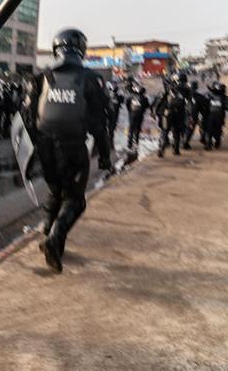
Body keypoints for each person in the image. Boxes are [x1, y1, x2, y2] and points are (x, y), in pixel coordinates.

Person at [23, 28, 112, 273]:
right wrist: (105, 155)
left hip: (45, 148)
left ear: (55, 48)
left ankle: (50, 237)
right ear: (81, 49)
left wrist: (32, 154)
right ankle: (54, 238)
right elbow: (99, 123)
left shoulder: (41, 77)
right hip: (72, 147)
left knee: (55, 192)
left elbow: (28, 118)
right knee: (75, 200)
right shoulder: (90, 78)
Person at [153, 75, 187, 157]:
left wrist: (155, 113)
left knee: (165, 131)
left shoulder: (163, 93)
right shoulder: (181, 92)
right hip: (178, 115)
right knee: (176, 132)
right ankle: (175, 150)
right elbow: (185, 104)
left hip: (167, 114)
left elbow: (157, 104)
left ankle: (161, 149)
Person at [204, 82, 228, 151]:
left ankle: (209, 144)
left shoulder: (210, 96)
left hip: (211, 116)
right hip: (219, 117)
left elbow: (204, 105)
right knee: (217, 130)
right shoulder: (225, 98)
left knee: (210, 130)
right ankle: (215, 143)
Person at [183, 80, 208, 149]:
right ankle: (185, 143)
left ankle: (185, 143)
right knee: (197, 128)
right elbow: (205, 105)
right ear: (196, 87)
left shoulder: (184, 95)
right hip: (193, 115)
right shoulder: (199, 96)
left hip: (185, 114)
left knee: (187, 129)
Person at [126, 85, 150, 151]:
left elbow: (127, 104)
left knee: (131, 129)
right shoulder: (145, 98)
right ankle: (136, 142)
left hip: (132, 114)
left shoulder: (131, 97)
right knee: (137, 129)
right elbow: (147, 106)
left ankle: (129, 143)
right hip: (140, 115)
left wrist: (130, 111)